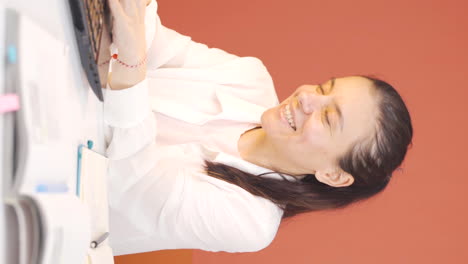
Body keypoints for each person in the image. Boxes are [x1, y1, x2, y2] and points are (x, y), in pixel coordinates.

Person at [103, 0, 413, 256]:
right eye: (323, 88)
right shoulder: (250, 78)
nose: (306, 98)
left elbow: (132, 184)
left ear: (333, 174)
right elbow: (156, 43)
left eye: (329, 117)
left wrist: (131, 63)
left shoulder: (250, 222)